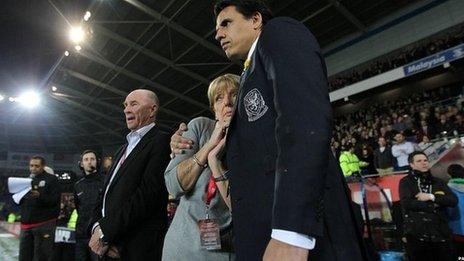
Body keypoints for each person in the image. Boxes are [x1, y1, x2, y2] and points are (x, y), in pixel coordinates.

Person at [173, 1, 368, 260]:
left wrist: (292, 231)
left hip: (298, 237)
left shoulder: (278, 33)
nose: (217, 33)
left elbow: (302, 122)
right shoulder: (249, 76)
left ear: (255, 20)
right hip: (264, 235)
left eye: (226, 23)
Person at [88, 89, 171, 260]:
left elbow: (147, 195)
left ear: (152, 110)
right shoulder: (122, 149)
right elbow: (104, 193)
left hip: (135, 247)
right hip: (108, 243)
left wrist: (107, 232)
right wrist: (97, 227)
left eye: (134, 104)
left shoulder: (161, 141)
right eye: (125, 105)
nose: (126, 110)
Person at [163, 74, 238, 260]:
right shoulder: (200, 127)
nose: (227, 102)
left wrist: (215, 162)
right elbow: (173, 186)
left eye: (234, 94)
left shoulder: (255, 143)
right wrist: (209, 146)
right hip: (181, 248)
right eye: (219, 98)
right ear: (214, 109)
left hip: (225, 252)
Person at [399, 151, 458, 261]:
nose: (423, 163)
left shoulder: (438, 182)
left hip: (440, 233)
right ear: (412, 165)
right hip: (417, 235)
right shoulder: (406, 182)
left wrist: (431, 197)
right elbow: (407, 203)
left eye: (425, 160)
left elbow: (453, 200)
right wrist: (433, 206)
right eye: (419, 161)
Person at [19, 156, 61, 261]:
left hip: (44, 224)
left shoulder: (52, 179)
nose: (33, 168)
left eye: (36, 166)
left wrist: (39, 196)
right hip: (26, 225)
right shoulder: (26, 180)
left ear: (43, 166)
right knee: (24, 256)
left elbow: (54, 200)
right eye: (31, 165)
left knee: (41, 256)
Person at [74, 150, 105, 261]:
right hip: (81, 234)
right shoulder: (78, 185)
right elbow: (78, 208)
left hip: (99, 234)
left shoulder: (106, 181)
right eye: (86, 159)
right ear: (81, 164)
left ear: (97, 162)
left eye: (92, 159)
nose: (89, 162)